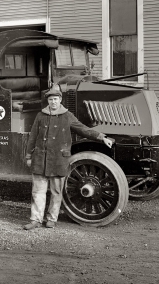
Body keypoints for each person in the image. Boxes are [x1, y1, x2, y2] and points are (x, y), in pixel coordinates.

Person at [23, 85, 113, 230]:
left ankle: (51, 219)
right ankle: (36, 220)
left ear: (60, 100)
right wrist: (28, 156)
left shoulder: (67, 116)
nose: (53, 102)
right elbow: (32, 137)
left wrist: (102, 137)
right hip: (40, 160)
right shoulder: (41, 115)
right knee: (37, 192)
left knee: (56, 192)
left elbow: (83, 129)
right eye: (51, 99)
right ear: (48, 101)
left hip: (59, 160)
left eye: (56, 99)